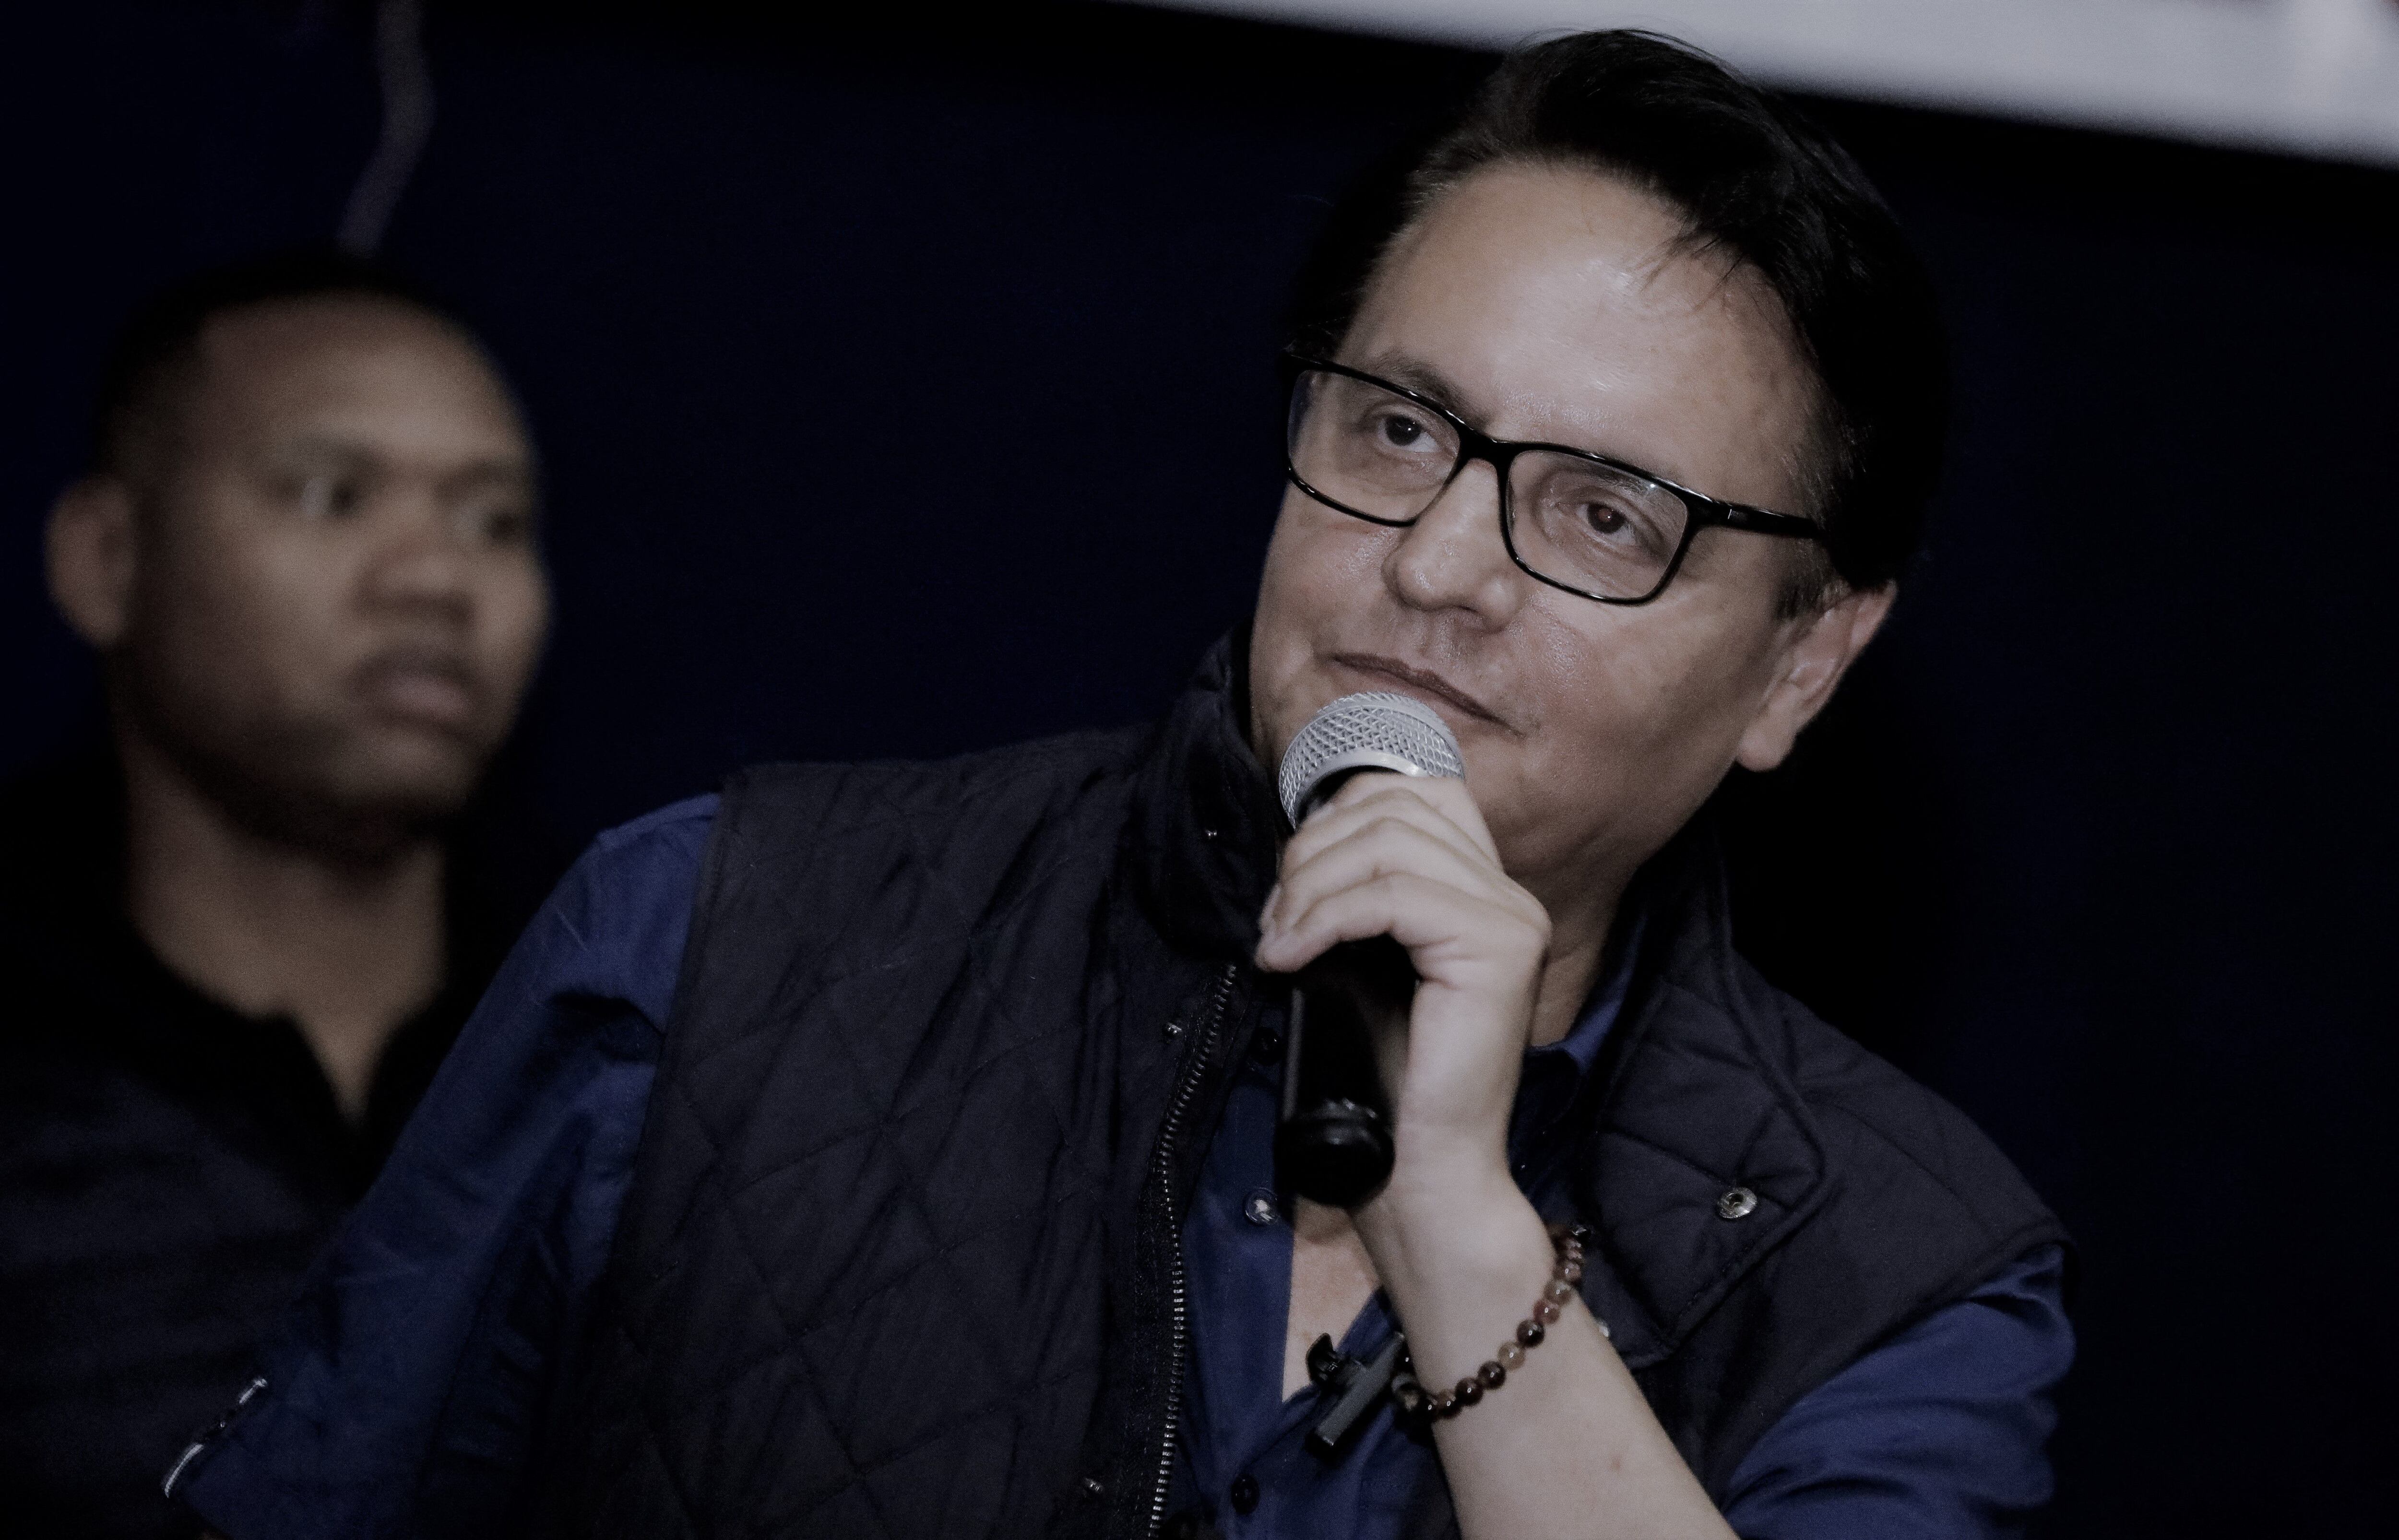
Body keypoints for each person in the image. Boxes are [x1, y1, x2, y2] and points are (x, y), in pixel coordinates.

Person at [170, 33, 2071, 1540]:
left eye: (1602, 513)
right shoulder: (712, 939)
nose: (1435, 562)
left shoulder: (1895, 1280)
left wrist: (1460, 1229)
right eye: (1396, 428)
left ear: (1799, 657)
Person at [0, 252, 556, 1540]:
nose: (433, 577)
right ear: (106, 555)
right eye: (330, 493)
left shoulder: (653, 1040)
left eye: (495, 521)